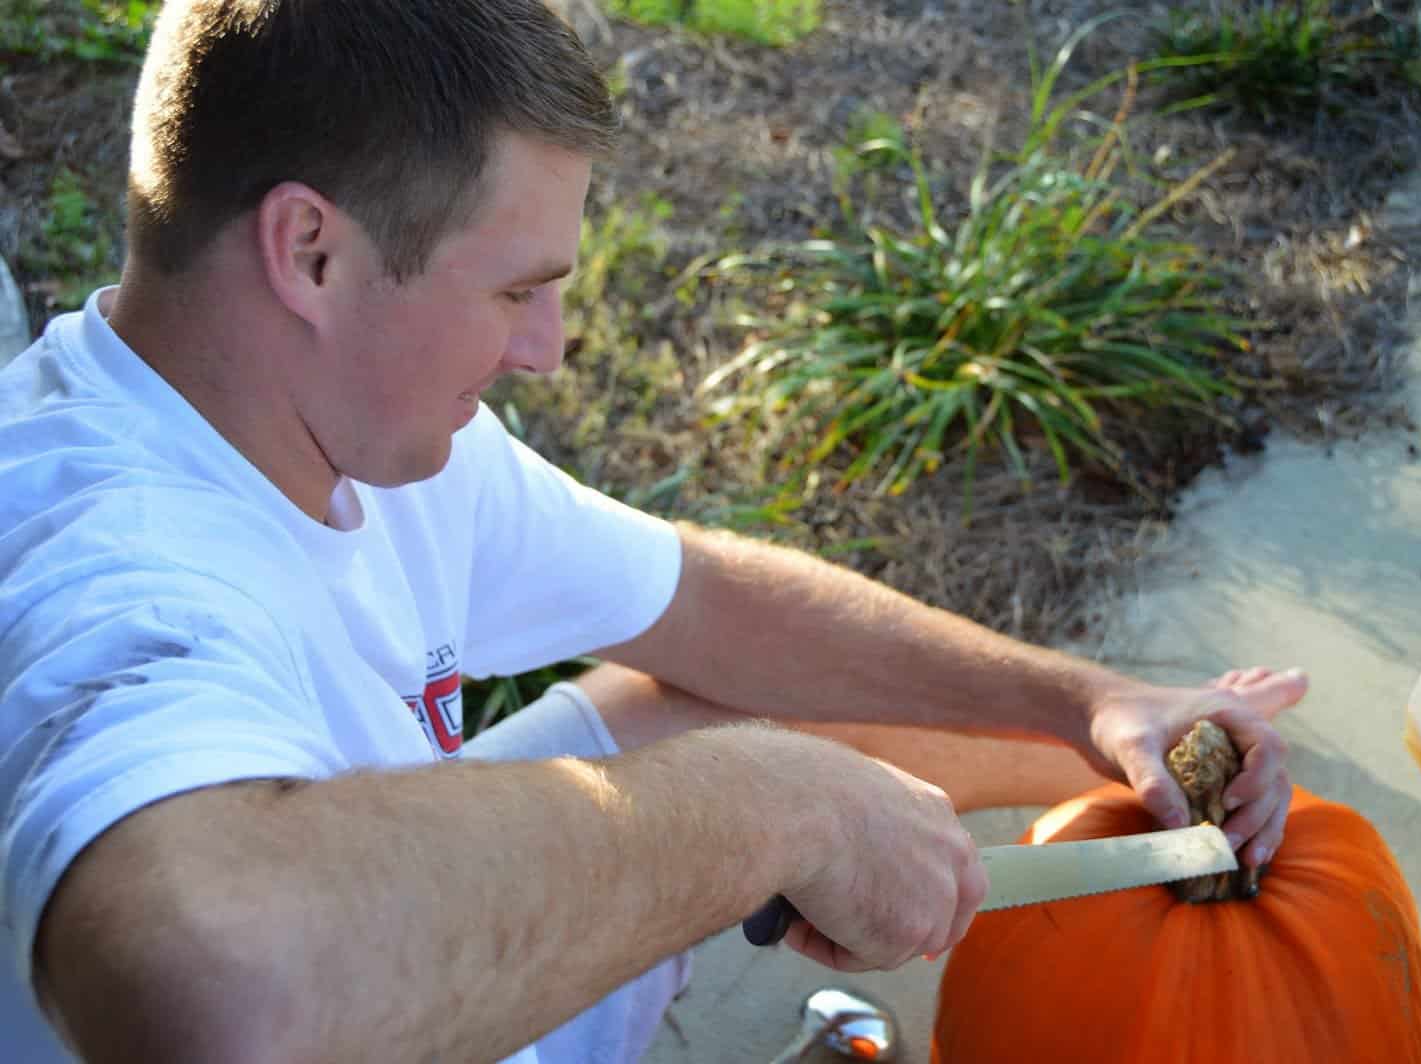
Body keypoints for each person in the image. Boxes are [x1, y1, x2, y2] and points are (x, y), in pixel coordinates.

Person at [0, 2, 1306, 1061]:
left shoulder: (340, 418)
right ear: (311, 251)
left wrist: (1100, 709)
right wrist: (765, 815)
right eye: (517, 289)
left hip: (430, 971)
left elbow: (709, 607)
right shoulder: (107, 569)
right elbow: (218, 997)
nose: (549, 351)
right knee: (748, 761)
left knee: (738, 707)